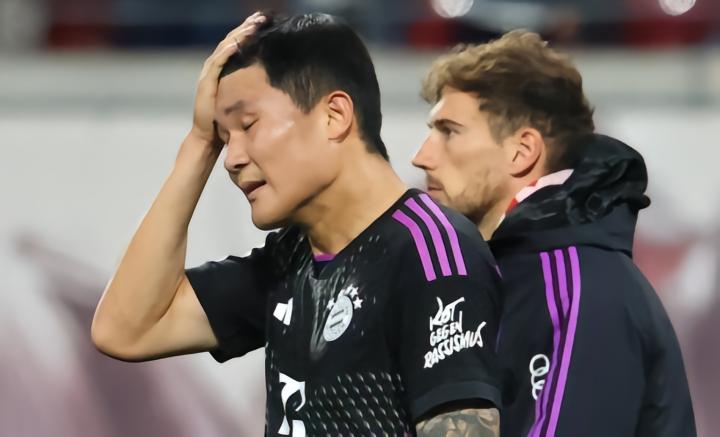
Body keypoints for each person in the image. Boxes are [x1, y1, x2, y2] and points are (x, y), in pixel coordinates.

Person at [91, 12, 505, 436]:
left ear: (334, 116)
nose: (231, 159)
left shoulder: (432, 256)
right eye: (223, 137)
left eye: (248, 125)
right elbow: (125, 330)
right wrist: (198, 145)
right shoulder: (289, 259)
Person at [412, 30, 696, 437]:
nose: (421, 156)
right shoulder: (513, 272)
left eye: (449, 130)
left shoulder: (578, 284)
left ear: (522, 151)